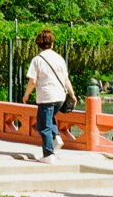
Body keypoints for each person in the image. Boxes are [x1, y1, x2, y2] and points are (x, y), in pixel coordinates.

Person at [22, 28, 76, 165]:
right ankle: (56, 137)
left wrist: (26, 95)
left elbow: (32, 81)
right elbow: (66, 79)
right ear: (52, 43)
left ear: (38, 44)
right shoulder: (59, 58)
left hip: (46, 96)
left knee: (43, 126)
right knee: (49, 119)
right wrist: (72, 94)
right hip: (60, 97)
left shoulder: (37, 60)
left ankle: (48, 154)